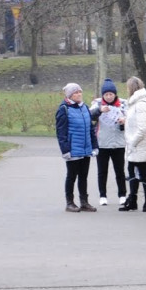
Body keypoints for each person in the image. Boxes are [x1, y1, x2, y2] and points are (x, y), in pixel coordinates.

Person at [55, 83, 99, 213]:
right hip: (73, 150)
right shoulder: (64, 109)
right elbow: (61, 132)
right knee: (71, 176)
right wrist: (65, 150)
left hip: (86, 149)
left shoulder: (85, 107)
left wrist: (94, 146)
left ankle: (84, 202)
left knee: (83, 176)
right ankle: (70, 202)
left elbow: (91, 129)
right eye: (75, 92)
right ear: (69, 95)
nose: (79, 94)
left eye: (80, 91)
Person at [119, 76, 146, 212]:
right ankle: (132, 200)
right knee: (132, 171)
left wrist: (132, 142)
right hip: (133, 144)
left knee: (145, 173)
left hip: (140, 144)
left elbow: (142, 127)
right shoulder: (134, 104)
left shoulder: (141, 104)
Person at [89, 78, 126, 206]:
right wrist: (99, 110)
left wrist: (124, 120)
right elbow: (89, 116)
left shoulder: (123, 104)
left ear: (115, 94)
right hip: (102, 143)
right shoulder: (97, 104)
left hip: (119, 143)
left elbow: (131, 118)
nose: (109, 97)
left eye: (111, 94)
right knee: (102, 171)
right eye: (106, 94)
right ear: (103, 95)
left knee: (120, 171)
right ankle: (103, 195)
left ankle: (122, 195)